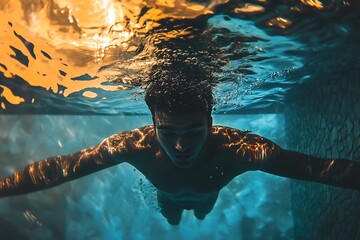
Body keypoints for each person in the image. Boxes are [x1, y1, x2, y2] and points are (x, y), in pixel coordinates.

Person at [0, 60, 359, 226]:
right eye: (168, 132)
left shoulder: (240, 150)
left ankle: (199, 213)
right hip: (167, 196)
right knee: (172, 218)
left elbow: (316, 169)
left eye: (193, 132)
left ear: (210, 123)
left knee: (202, 211)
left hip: (207, 195)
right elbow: (61, 168)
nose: (181, 145)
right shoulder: (134, 146)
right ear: (153, 122)